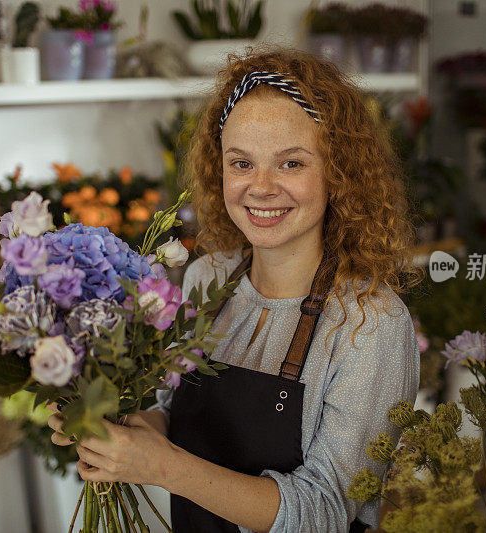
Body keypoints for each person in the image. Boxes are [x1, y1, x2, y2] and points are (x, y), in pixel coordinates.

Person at [48, 48, 422, 532]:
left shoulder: (370, 324)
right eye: (241, 163)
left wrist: (163, 467)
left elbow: (325, 513)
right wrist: (112, 431)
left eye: (290, 164)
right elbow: (170, 413)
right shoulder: (208, 279)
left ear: (338, 172)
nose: (261, 187)